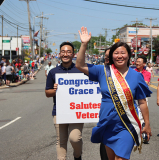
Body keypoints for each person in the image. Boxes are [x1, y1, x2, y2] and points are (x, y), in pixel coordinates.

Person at [76, 27, 152, 160]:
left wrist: (147, 124)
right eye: (116, 53)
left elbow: (142, 102)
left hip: (127, 125)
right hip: (107, 123)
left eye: (123, 53)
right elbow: (80, 65)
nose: (120, 56)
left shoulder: (136, 76)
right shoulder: (103, 71)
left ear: (129, 55)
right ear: (111, 56)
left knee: (121, 158)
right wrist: (84, 44)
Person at [45, 42, 84, 160]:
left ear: (73, 54)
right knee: (61, 141)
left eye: (68, 52)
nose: (65, 54)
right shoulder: (53, 72)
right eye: (63, 51)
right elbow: (47, 93)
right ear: (59, 54)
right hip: (59, 111)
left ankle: (77, 156)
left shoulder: (81, 71)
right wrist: (55, 90)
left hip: (76, 111)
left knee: (75, 138)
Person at [100, 47, 111, 160]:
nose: (107, 57)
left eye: (110, 54)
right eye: (106, 55)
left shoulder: (127, 72)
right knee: (105, 141)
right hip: (106, 114)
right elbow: (80, 66)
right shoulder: (100, 70)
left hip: (123, 116)